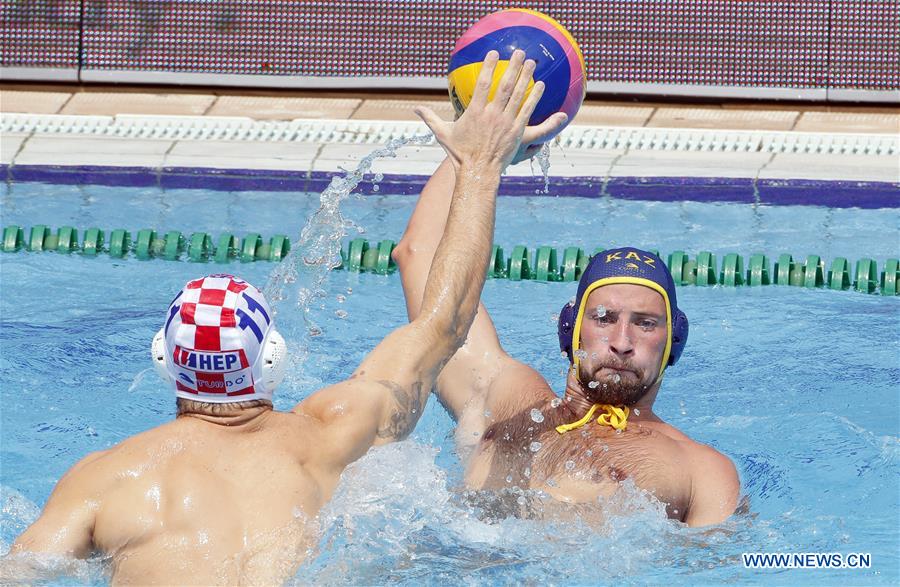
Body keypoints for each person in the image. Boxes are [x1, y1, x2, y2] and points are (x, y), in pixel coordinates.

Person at [4, 50, 569, 584]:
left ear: (163, 361)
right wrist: (480, 165)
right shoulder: (332, 435)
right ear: (272, 356)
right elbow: (446, 320)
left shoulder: (104, 481)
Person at [393, 168, 740, 527]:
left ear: (674, 342)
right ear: (570, 330)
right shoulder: (503, 394)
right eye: (603, 319)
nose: (622, 343)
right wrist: (481, 152)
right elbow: (420, 256)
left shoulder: (701, 471)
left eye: (645, 323)